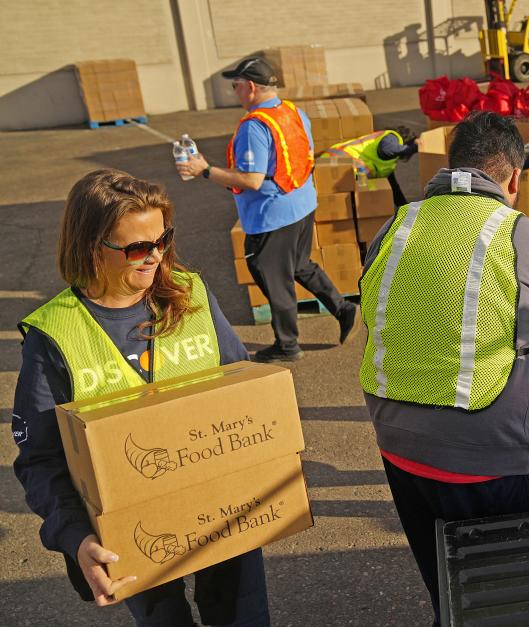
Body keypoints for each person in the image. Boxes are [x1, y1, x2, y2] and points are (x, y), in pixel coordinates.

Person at [358, 111, 529, 625]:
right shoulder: (527, 239)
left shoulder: (396, 227)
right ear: (514, 179)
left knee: (448, 588)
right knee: (509, 597)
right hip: (486, 462)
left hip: (399, 451)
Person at [12, 169, 269, 625]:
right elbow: (40, 460)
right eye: (136, 248)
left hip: (221, 506)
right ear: (91, 246)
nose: (155, 256)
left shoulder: (189, 294)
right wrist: (75, 538)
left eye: (162, 239)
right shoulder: (54, 334)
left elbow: (242, 389)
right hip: (130, 531)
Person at [177, 56, 359, 361]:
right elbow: (303, 155)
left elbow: (251, 179)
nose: (234, 91)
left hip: (272, 216)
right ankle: (343, 309)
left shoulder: (254, 127)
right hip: (302, 203)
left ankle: (288, 345)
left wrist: (204, 169)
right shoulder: (293, 111)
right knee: (300, 264)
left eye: (235, 86)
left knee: (274, 277)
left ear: (249, 87)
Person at [320, 127, 418, 207]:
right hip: (337, 161)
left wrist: (405, 207)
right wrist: (413, 148)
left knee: (362, 191)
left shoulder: (388, 163)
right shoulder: (392, 137)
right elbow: (387, 150)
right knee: (361, 194)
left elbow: (393, 187)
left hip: (341, 165)